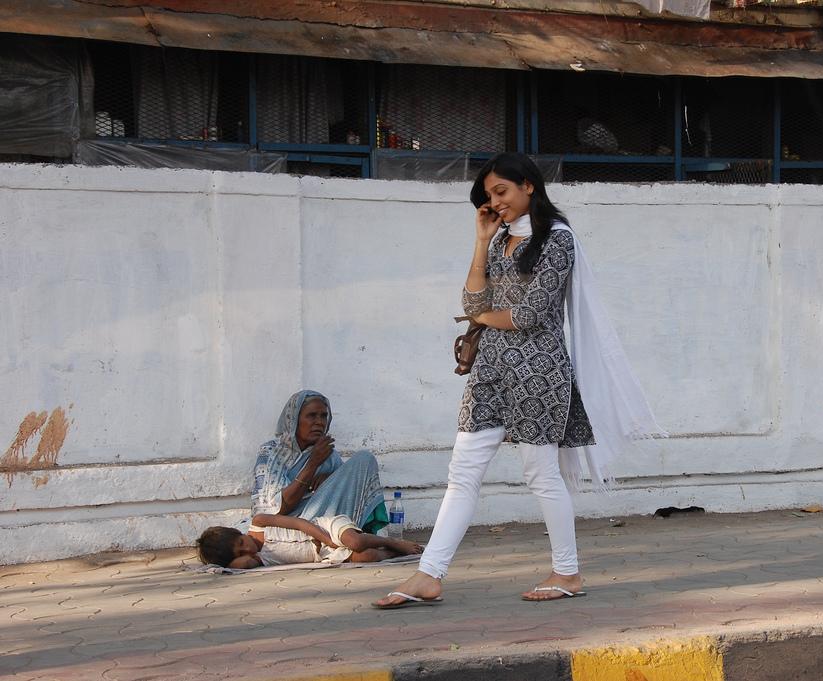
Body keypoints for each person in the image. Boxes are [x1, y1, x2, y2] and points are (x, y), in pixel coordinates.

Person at [374, 153, 662, 609]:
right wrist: (480, 241)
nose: (495, 202)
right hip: (489, 369)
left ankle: (567, 571)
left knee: (540, 473)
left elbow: (530, 316)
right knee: (462, 471)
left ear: (529, 186)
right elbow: (472, 296)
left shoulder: (558, 240)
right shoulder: (499, 238)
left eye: (501, 192)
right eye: (488, 195)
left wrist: (479, 315)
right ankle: (429, 575)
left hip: (539, 372)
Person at [251, 390, 389, 535]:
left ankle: (348, 534)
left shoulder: (327, 454)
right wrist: (312, 464)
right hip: (289, 525)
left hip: (324, 520)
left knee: (364, 459)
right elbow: (275, 511)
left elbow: (345, 493)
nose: (319, 422)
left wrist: (329, 479)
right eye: (311, 416)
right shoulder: (271, 452)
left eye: (323, 416)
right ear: (294, 421)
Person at [196, 513, 422, 569]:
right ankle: (392, 554)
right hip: (323, 554)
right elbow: (237, 566)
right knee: (367, 557)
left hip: (325, 528)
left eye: (241, 542)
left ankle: (393, 543)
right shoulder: (256, 560)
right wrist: (231, 560)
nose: (247, 548)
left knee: (355, 543)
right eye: (240, 553)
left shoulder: (259, 522)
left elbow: (299, 524)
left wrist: (325, 538)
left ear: (239, 532)